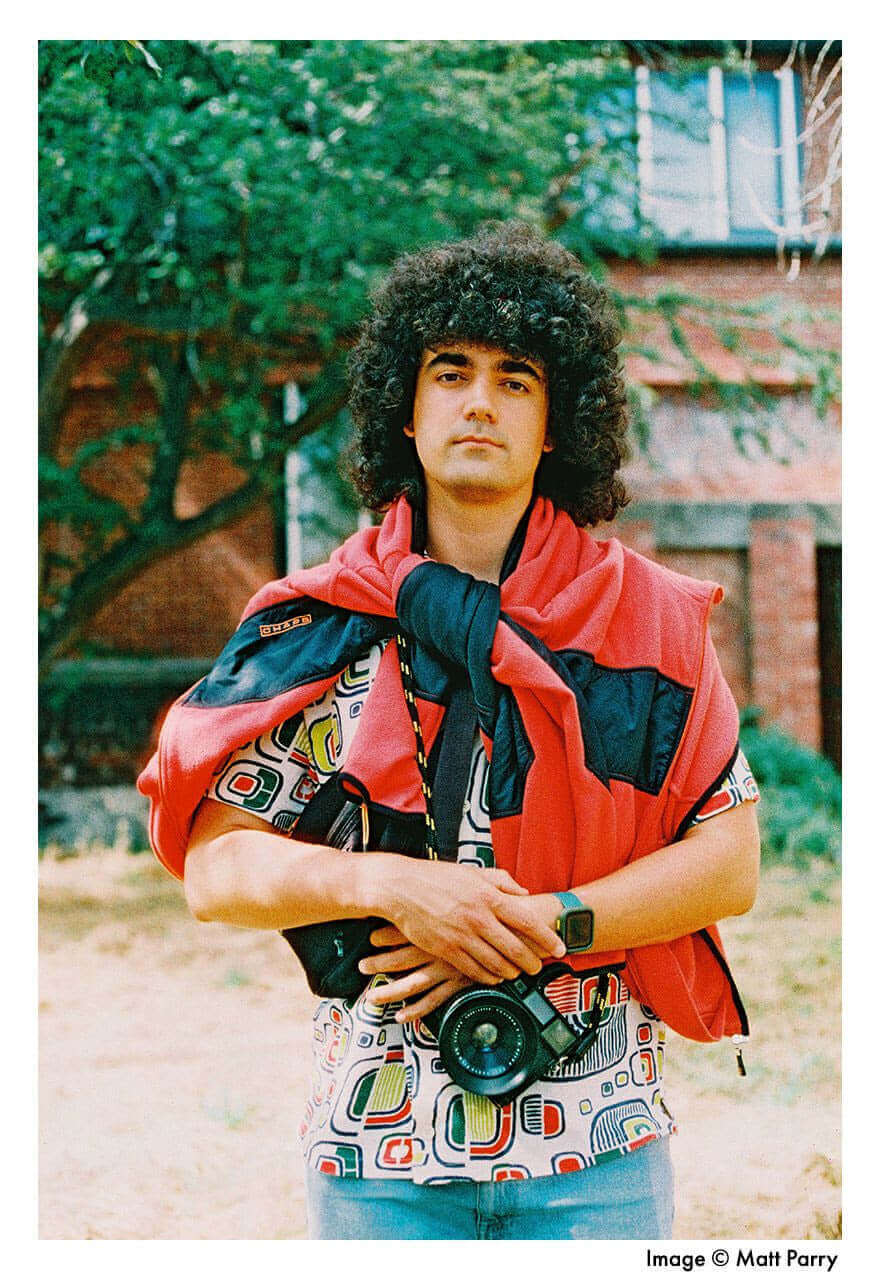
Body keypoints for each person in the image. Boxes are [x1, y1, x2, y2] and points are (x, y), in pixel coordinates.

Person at [138, 222, 760, 1240]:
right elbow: (213, 868)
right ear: (408, 407)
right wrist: (385, 885)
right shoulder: (317, 626)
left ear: (557, 421)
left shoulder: (645, 623)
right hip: (378, 1157)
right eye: (451, 372)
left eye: (516, 379)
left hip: (597, 1150)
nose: (480, 400)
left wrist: (547, 921)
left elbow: (728, 859)